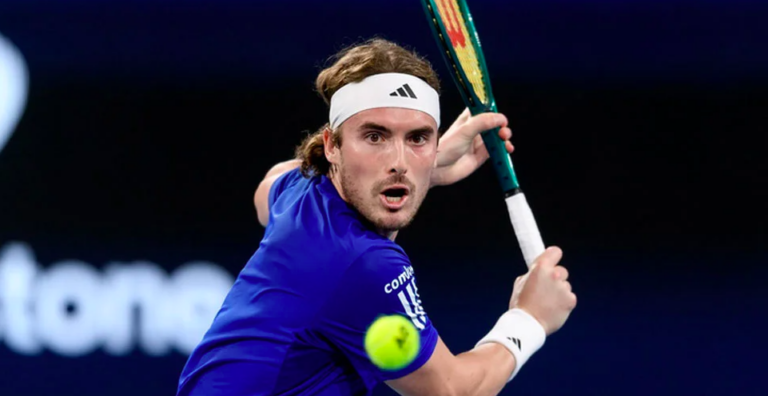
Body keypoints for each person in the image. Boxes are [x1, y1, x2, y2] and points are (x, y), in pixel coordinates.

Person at [176, 38, 576, 396]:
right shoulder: (363, 261)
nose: (399, 162)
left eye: (418, 138)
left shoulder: (302, 191)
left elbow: (265, 191)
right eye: (374, 136)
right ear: (331, 146)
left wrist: (430, 169)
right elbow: (453, 390)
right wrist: (529, 318)